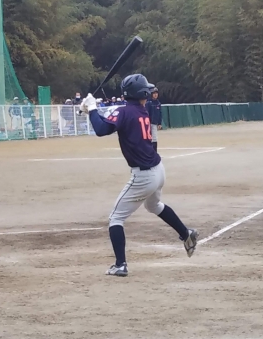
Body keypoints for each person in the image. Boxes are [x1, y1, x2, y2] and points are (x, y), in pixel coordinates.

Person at [78, 74, 199, 277]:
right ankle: (186, 233)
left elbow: (101, 129)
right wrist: (90, 110)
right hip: (159, 170)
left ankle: (120, 265)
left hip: (144, 176)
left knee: (116, 218)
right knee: (154, 206)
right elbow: (108, 121)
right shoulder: (140, 110)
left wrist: (91, 108)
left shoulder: (126, 111)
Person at [146, 86, 163, 152]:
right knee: (148, 138)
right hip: (148, 123)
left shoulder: (158, 103)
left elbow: (160, 114)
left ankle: (154, 152)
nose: (155, 95)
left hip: (154, 123)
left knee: (154, 138)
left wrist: (159, 123)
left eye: (156, 93)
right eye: (154, 93)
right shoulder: (148, 103)